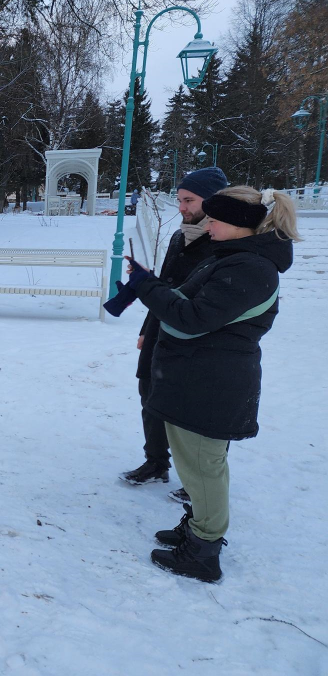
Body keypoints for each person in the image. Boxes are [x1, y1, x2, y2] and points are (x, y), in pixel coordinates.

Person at [119, 186, 299, 582]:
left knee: (203, 468)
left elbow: (191, 317)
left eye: (215, 220)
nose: (209, 225)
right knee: (196, 465)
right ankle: (199, 525)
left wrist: (148, 287)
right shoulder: (234, 258)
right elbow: (184, 301)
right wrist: (156, 288)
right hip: (198, 380)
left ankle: (202, 551)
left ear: (238, 225)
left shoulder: (250, 268)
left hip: (211, 386)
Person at [120, 167, 228, 502]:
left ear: (212, 201)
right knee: (150, 395)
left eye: (189, 200)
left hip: (197, 339)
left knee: (193, 410)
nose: (181, 207)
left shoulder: (224, 242)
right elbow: (167, 286)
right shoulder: (181, 236)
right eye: (180, 199)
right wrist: (146, 329)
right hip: (161, 330)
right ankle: (156, 463)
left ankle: (197, 479)